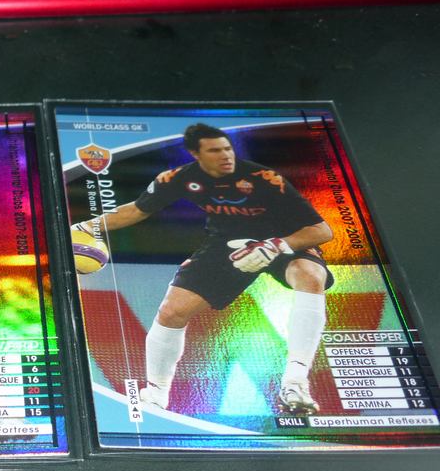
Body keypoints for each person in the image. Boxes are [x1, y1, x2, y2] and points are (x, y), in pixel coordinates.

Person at [75, 123, 333, 414]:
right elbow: (136, 210)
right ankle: (155, 396)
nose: (225, 156)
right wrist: (84, 227)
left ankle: (295, 382)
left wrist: (276, 246)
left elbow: (322, 231)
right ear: (196, 154)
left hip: (285, 238)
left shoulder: (265, 179)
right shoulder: (178, 178)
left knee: (311, 276)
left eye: (227, 148)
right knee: (171, 312)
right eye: (215, 151)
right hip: (227, 242)